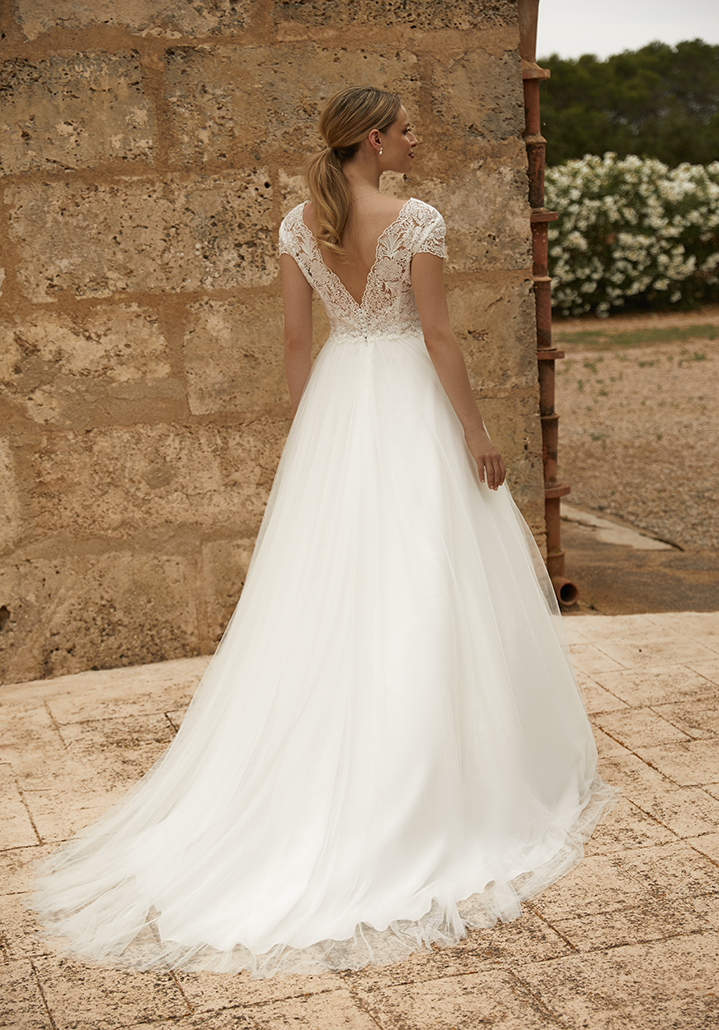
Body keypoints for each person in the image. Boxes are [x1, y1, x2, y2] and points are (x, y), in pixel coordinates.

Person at [33, 86, 616, 979]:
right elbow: (439, 339)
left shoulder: (297, 226)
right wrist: (475, 432)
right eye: (407, 130)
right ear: (373, 141)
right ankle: (437, 784)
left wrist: (314, 441)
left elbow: (295, 346)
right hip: (408, 408)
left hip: (339, 406)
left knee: (337, 592)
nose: (416, 140)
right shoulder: (416, 220)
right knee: (426, 581)